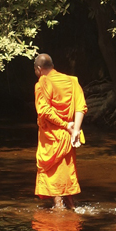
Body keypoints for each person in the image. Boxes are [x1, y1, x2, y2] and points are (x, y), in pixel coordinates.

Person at [33, 53, 87, 208]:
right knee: (65, 176)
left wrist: (65, 125)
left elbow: (44, 111)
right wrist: (75, 130)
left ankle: (59, 212)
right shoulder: (72, 81)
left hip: (53, 137)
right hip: (68, 136)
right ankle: (71, 209)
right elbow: (80, 107)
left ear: (39, 69)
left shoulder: (42, 83)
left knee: (54, 180)